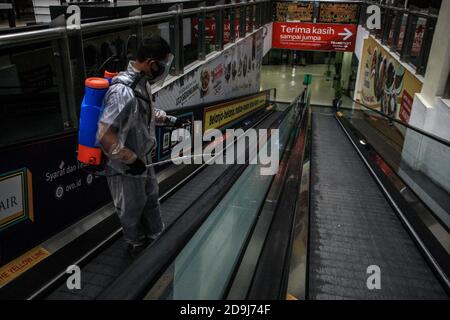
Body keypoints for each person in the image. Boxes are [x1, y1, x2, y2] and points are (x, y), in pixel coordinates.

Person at [96, 35, 185, 258]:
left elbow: (143, 114)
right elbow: (106, 136)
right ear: (149, 62)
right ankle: (135, 244)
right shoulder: (122, 92)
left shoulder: (140, 85)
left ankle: (155, 237)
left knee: (151, 199)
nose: (162, 70)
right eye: (161, 65)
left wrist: (169, 120)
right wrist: (130, 159)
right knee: (131, 207)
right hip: (125, 166)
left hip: (141, 159)